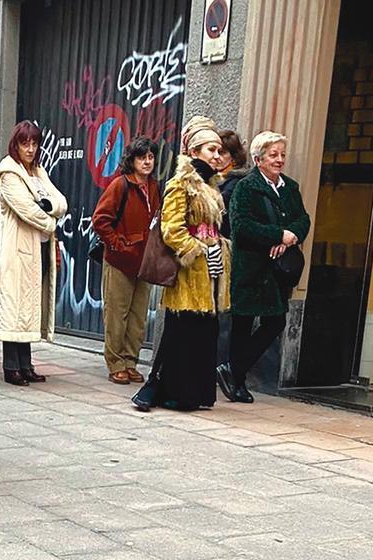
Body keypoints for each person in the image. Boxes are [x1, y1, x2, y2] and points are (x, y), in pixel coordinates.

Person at [132, 117, 231, 412]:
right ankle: (164, 391)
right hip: (189, 274)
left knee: (204, 333)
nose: (218, 155)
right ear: (195, 151)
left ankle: (195, 393)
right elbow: (171, 229)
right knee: (181, 333)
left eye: (219, 150)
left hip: (210, 273)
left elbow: (218, 230)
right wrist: (197, 251)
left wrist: (219, 250)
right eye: (211, 150)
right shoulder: (181, 184)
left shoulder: (211, 187)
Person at [218, 131, 311, 404]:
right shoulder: (246, 187)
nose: (279, 159)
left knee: (276, 321)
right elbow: (242, 226)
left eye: (282, 154)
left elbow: (302, 219)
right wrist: (276, 235)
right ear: (259, 159)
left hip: (278, 271)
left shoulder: (290, 188)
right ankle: (238, 383)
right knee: (243, 324)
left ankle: (232, 369)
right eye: (273, 155)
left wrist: (289, 236)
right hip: (251, 266)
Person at [0, 121, 68, 386]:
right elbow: (27, 209)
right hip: (18, 250)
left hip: (40, 248)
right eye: (25, 143)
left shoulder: (38, 171)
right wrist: (50, 219)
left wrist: (49, 209)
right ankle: (10, 366)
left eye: (35, 143)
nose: (30, 148)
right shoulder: (9, 173)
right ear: (16, 144)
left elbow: (60, 202)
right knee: (15, 306)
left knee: (30, 305)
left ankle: (26, 364)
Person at [91, 137, 161, 385]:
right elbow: (100, 220)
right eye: (142, 157)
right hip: (120, 261)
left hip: (144, 261)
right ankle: (115, 362)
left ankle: (131, 361)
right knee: (116, 313)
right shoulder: (120, 185)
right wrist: (119, 244)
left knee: (138, 315)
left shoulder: (154, 187)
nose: (147, 161)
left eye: (151, 157)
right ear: (131, 160)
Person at [215, 130, 250, 239]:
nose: (217, 156)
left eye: (222, 152)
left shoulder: (236, 182)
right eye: (214, 151)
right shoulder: (213, 176)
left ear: (234, 157)